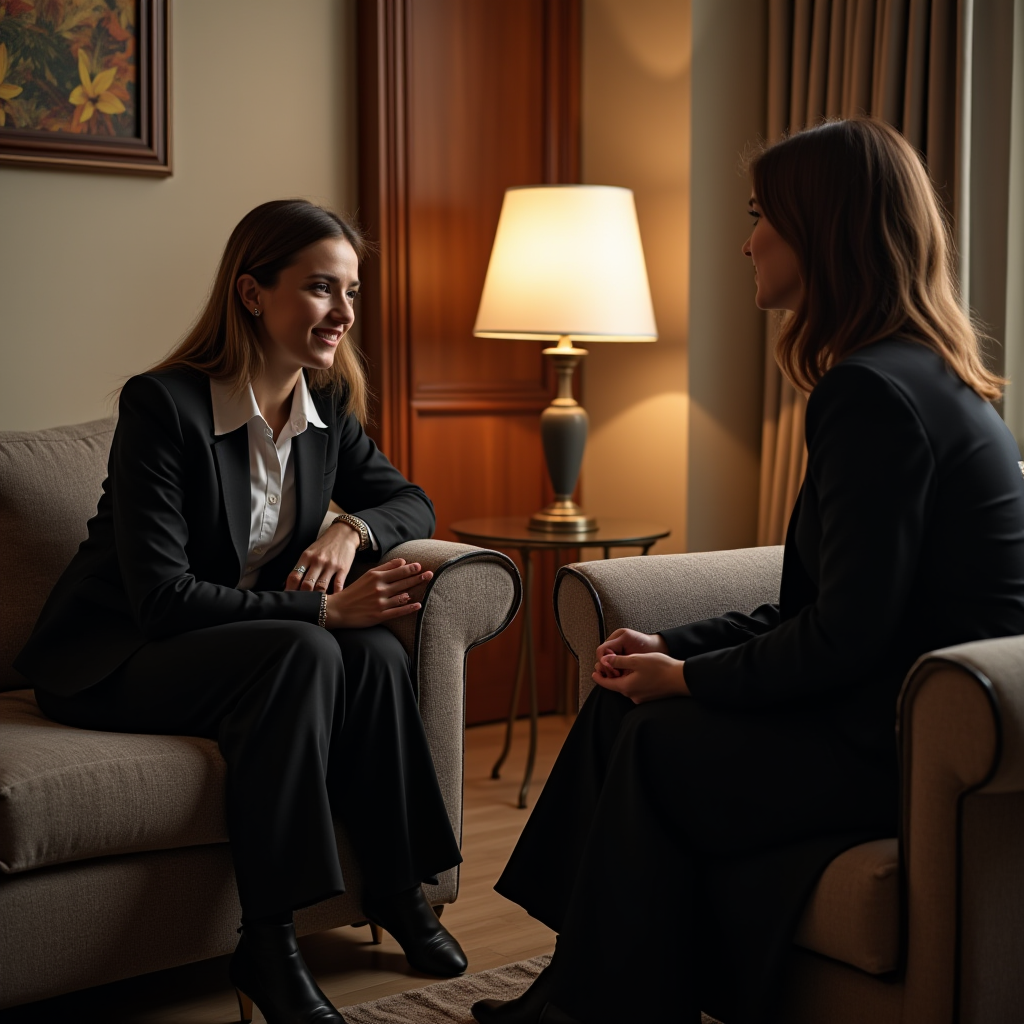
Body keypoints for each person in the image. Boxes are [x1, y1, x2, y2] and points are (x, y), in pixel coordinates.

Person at [472, 118, 1024, 1024]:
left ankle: (595, 1000)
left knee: (655, 737)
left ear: (825, 232)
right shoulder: (923, 375)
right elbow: (824, 605)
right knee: (625, 696)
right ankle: (587, 988)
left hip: (907, 746)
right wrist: (668, 646)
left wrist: (687, 676)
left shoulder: (871, 393)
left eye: (763, 214)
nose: (746, 239)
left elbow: (846, 636)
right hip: (898, 715)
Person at [14, 200, 467, 1024]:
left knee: (377, 655)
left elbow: (413, 500)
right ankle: (268, 939)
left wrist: (351, 525)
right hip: (114, 657)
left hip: (224, 644)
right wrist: (321, 612)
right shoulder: (165, 407)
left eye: (352, 291)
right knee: (318, 648)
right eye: (321, 288)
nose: (344, 312)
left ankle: (401, 891)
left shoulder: (325, 412)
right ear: (253, 294)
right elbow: (161, 597)